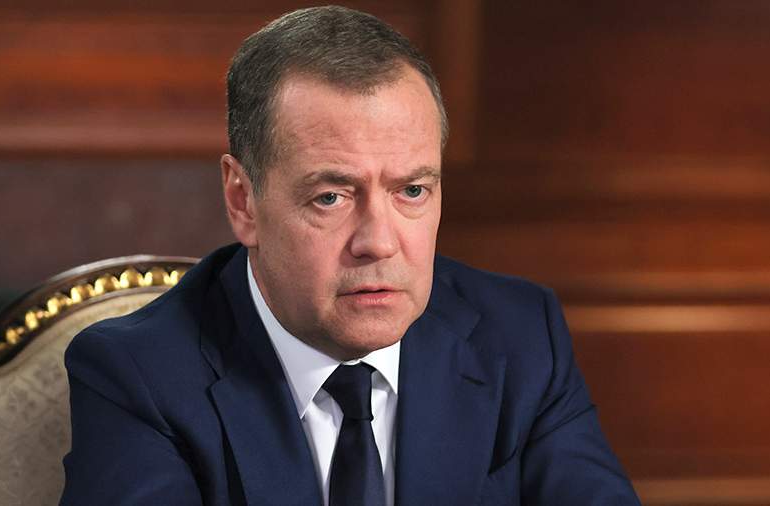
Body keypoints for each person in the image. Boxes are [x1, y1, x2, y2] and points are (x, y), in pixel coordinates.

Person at [60, 6, 640, 505]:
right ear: (243, 201)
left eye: (412, 190)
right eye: (331, 197)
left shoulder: (520, 336)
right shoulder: (139, 376)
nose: (379, 242)